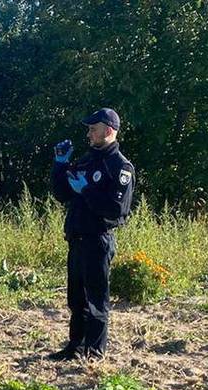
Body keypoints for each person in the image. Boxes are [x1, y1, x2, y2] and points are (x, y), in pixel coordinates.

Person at [48, 107, 136, 361]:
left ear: (108, 131)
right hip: (76, 238)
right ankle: (75, 346)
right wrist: (59, 165)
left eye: (93, 129)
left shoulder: (120, 167)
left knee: (96, 300)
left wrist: (87, 191)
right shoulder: (87, 161)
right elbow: (62, 194)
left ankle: (95, 352)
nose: (89, 134)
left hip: (98, 239)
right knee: (76, 299)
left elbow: (116, 209)